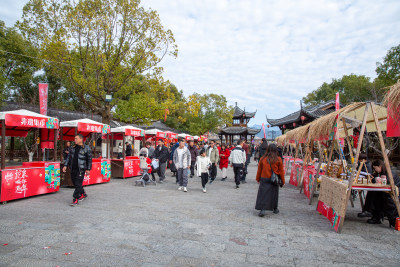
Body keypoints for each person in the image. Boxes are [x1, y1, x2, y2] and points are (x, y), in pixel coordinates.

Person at [367, 160, 400, 227]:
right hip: (387, 191)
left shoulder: (390, 172)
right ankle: (375, 215)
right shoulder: (383, 172)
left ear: (380, 166)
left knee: (379, 198)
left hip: (393, 193)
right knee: (373, 194)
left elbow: (385, 183)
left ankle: (379, 217)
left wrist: (375, 179)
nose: (375, 170)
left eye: (375, 168)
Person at [255, 144, 285, 217]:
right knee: (274, 194)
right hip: (274, 179)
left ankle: (263, 209)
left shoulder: (262, 158)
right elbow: (281, 171)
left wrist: (258, 178)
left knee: (263, 194)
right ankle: (275, 208)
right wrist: (283, 181)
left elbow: (259, 170)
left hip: (264, 177)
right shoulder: (278, 159)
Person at [63, 134, 92, 206]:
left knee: (78, 183)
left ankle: (75, 198)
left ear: (81, 139)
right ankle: (82, 192)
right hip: (73, 168)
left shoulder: (87, 148)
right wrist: (65, 165)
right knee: (75, 183)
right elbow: (68, 157)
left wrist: (88, 169)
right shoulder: (72, 148)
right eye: (75, 138)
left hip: (81, 169)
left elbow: (89, 159)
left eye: (76, 138)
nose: (74, 140)